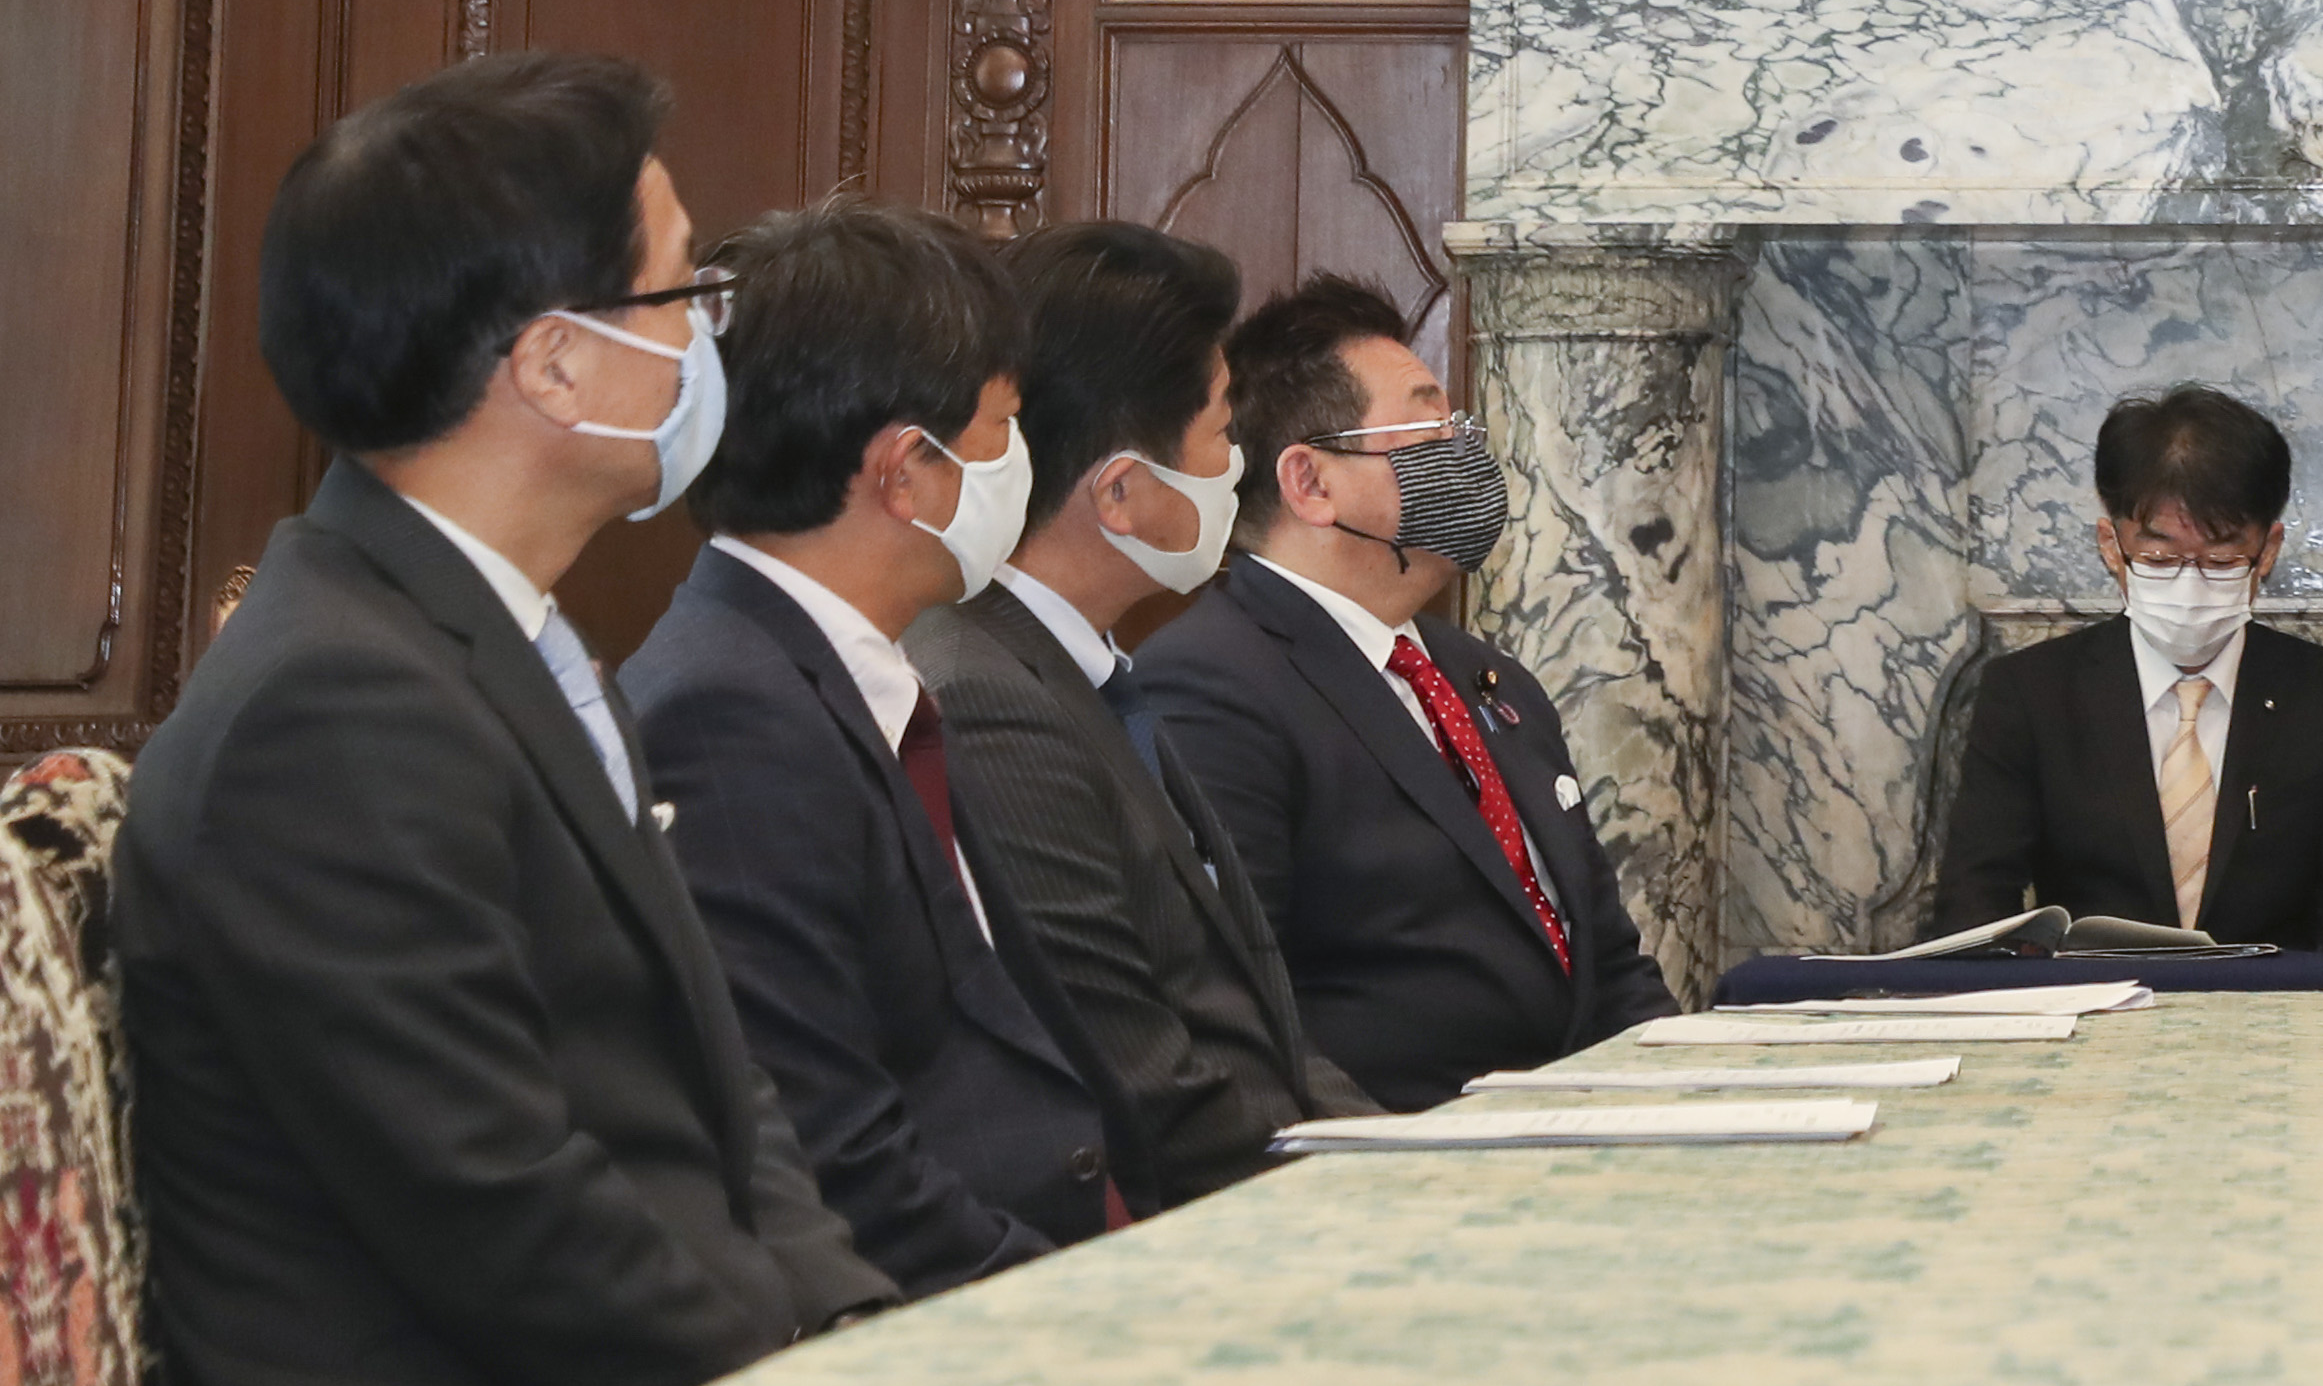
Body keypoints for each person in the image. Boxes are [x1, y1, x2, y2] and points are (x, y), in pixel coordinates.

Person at [116, 55, 889, 1386]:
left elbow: (718, 1083)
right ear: (554, 363)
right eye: (686, 294)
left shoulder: (500, 636)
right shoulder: (330, 708)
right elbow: (494, 1202)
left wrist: (848, 1323)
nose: (709, 340)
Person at [627, 205, 1119, 1292]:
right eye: (1002, 426)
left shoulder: (847, 674)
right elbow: (831, 1154)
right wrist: (1080, 1306)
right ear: (904, 472)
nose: (1020, 463)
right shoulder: (727, 715)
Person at [906, 222, 1371, 1204]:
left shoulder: (1091, 672)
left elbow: (1262, 1035)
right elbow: (1140, 1084)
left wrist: (1410, 1163)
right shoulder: (983, 696)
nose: (1237, 467)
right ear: (1120, 492)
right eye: (1221, 436)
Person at [1141, 277, 1676, 1102]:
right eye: (1429, 427)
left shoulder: (1488, 677)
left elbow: (1606, 959)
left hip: (1579, 1130)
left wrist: (1681, 1093)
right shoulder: (1213, 679)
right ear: (1311, 482)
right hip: (1392, 1142)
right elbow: (1235, 1003)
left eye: (1456, 425)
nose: (1463, 449)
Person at [1930, 384, 2323, 949]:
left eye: (2222, 559)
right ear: (2110, 545)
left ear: (2268, 550)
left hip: (2277, 1000)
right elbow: (1975, 903)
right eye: (2159, 559)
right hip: (2093, 997)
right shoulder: (2031, 693)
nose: (2189, 585)